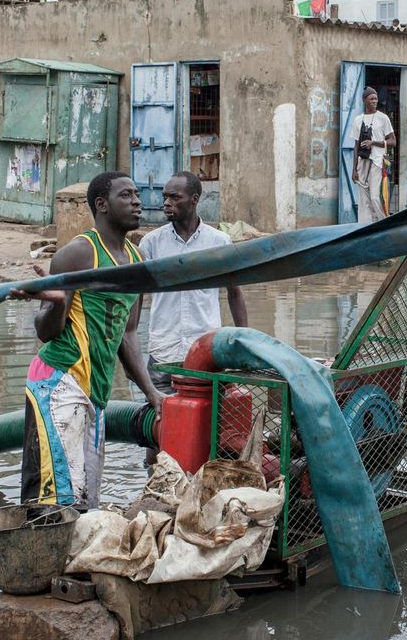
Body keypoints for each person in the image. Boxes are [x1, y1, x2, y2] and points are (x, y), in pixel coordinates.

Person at [13, 171, 155, 508]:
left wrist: (152, 393)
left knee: (86, 500)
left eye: (137, 194)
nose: (137, 200)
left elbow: (129, 333)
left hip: (97, 392)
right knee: (53, 498)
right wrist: (57, 302)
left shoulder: (137, 261)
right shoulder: (79, 254)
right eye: (126, 195)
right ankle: (42, 557)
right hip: (60, 382)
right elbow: (46, 331)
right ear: (102, 205)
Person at [138, 171, 248, 399]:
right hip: (163, 352)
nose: (166, 203)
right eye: (164, 197)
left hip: (206, 351)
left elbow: (234, 293)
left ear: (194, 199)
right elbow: (136, 296)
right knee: (161, 422)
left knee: (207, 418)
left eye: (174, 197)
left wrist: (243, 341)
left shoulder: (219, 242)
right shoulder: (151, 243)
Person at [353, 87, 395, 223]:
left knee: (375, 197)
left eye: (375, 98)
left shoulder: (383, 118)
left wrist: (374, 143)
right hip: (362, 162)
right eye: (371, 98)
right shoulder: (358, 120)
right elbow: (356, 146)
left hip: (377, 161)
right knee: (363, 200)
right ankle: (365, 226)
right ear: (364, 100)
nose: (374, 101)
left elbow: (393, 141)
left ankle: (383, 223)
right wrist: (354, 169)